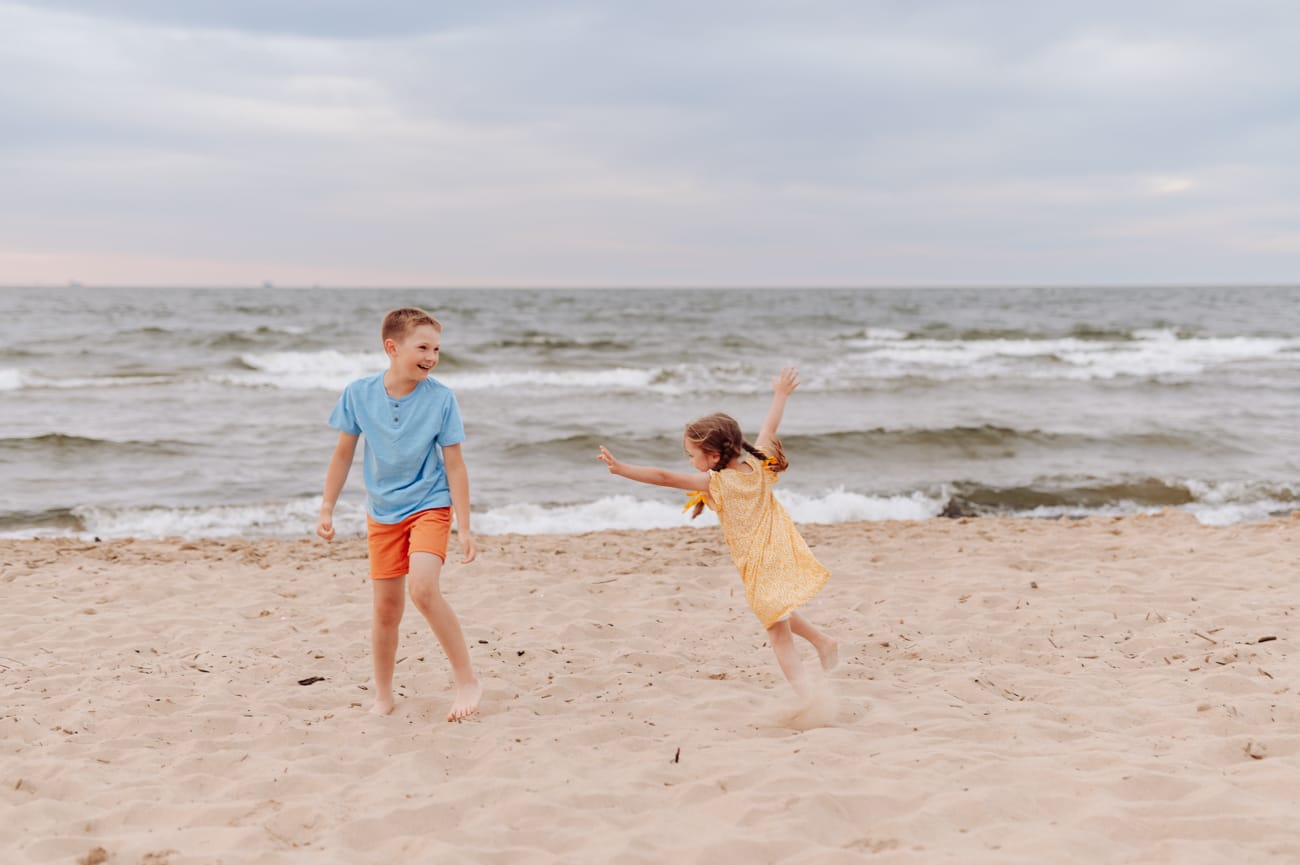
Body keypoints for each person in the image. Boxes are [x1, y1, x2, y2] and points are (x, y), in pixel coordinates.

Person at [597, 367, 838, 700]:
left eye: (691, 455)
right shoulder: (759, 462)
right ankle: (824, 642)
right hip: (782, 550)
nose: (690, 461)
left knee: (777, 634)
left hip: (759, 562)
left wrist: (622, 469)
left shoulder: (716, 482)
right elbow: (769, 426)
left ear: (712, 455)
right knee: (777, 609)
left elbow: (664, 477)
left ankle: (809, 699)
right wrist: (781, 394)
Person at [317, 307, 482, 721]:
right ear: (392, 348)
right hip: (383, 512)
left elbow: (455, 464)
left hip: (430, 503)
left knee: (423, 590)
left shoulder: (441, 398)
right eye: (423, 347)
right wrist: (327, 507)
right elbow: (342, 454)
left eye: (437, 349)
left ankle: (467, 680)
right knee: (386, 610)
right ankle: (384, 695)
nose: (432, 356)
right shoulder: (358, 393)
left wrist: (464, 525)